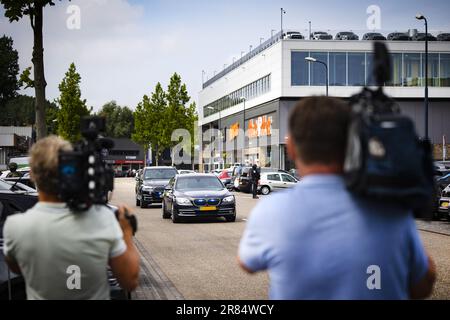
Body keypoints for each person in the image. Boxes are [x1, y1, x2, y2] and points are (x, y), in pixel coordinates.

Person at [238, 97, 436, 299]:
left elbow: (247, 263)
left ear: (291, 149)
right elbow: (422, 287)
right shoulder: (391, 206)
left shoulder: (270, 210)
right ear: (352, 144)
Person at [2, 136, 140, 300]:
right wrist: (126, 231)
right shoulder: (102, 220)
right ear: (72, 171)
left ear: (32, 174)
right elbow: (129, 281)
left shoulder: (15, 226)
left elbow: (17, 268)